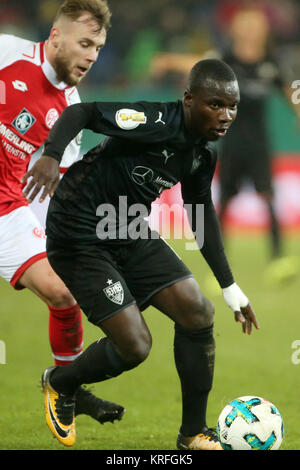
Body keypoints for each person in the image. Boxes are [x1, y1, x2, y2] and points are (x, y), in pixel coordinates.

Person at [29, 58, 259, 449]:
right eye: (215, 104)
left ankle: (193, 434)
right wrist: (51, 155)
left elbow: (201, 214)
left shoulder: (203, 154)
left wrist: (230, 286)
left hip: (128, 230)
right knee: (135, 346)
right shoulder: (152, 121)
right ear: (189, 100)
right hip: (77, 233)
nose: (226, 116)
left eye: (232, 106)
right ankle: (61, 382)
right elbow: (82, 111)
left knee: (198, 311)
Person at [0, 0, 124, 424]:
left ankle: (66, 385)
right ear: (56, 36)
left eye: (100, 47)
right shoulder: (7, 54)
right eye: (86, 43)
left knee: (64, 293)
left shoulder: (70, 112)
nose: (92, 55)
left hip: (5, 210)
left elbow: (56, 189)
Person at [217, 6, 298, 259]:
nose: (252, 31)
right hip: (230, 141)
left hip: (259, 143)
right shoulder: (224, 60)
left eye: (257, 25)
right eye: (247, 25)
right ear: (235, 30)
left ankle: (277, 259)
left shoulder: (272, 63)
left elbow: (293, 88)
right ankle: (218, 258)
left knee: (269, 198)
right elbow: (197, 68)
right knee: (225, 200)